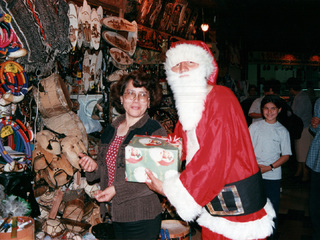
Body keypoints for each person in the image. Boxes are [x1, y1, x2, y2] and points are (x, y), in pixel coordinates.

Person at [145, 40, 275, 240]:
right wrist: (147, 149)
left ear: (204, 67)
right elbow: (178, 143)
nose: (182, 68)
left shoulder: (221, 97)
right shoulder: (190, 105)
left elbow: (214, 157)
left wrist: (171, 190)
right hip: (214, 200)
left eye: (190, 62)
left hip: (238, 206)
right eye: (177, 64)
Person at [78, 70, 167, 240]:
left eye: (142, 95)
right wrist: (93, 167)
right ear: (121, 98)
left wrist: (116, 190)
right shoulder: (113, 127)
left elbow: (156, 177)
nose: (136, 99)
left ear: (149, 102)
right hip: (114, 214)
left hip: (141, 217)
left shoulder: (154, 131)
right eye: (131, 93)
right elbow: (105, 167)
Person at [249, 95, 292, 239]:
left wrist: (269, 167)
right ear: (262, 110)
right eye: (266, 108)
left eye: (273, 108)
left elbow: (286, 155)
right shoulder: (254, 127)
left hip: (272, 175)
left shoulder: (282, 131)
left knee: (271, 209)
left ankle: (270, 236)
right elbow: (246, 148)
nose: (269, 112)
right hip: (254, 174)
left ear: (279, 110)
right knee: (254, 207)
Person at [286, 77, 313, 182]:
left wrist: (287, 112)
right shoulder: (303, 96)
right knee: (301, 152)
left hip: (303, 128)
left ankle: (304, 174)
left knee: (303, 153)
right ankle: (300, 172)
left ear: (292, 88)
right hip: (304, 127)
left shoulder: (300, 98)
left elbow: (296, 114)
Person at [306, 97, 320, 240]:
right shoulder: (319, 102)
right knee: (315, 200)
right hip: (318, 159)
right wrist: (314, 125)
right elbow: (315, 130)